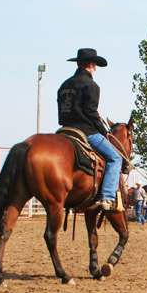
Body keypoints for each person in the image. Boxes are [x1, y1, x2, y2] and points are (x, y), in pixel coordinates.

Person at [58, 48, 122, 211]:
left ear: (79, 63)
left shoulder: (64, 85)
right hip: (86, 132)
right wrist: (104, 131)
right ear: (92, 65)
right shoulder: (91, 85)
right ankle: (107, 197)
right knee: (115, 158)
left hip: (64, 130)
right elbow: (90, 112)